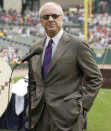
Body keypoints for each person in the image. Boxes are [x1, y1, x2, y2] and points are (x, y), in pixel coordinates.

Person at [26, 2, 103, 131]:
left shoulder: (77, 45)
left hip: (68, 116)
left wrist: (81, 106)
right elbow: (33, 82)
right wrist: (33, 102)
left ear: (62, 18)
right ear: (41, 21)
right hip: (39, 115)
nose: (50, 19)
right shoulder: (35, 48)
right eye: (46, 17)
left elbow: (96, 78)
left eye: (54, 16)